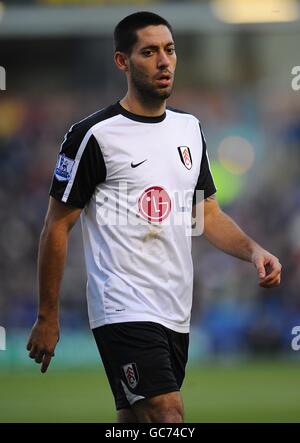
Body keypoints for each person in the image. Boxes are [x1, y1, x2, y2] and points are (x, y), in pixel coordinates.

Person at [27, 11, 282, 423]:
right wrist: (47, 317)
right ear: (122, 62)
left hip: (174, 310)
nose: (164, 61)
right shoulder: (94, 135)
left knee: (135, 420)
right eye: (149, 52)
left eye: (170, 50)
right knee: (167, 414)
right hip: (122, 305)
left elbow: (205, 213)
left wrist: (253, 250)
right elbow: (57, 225)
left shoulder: (188, 129)